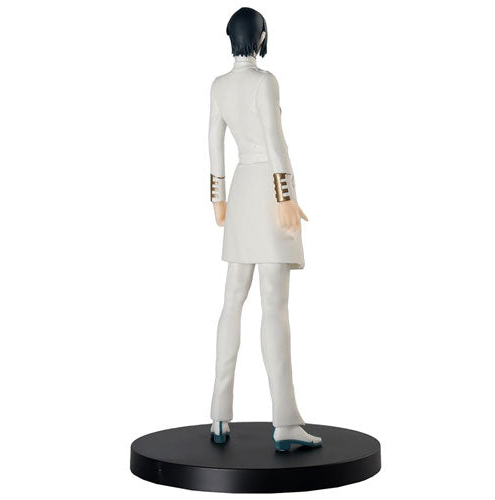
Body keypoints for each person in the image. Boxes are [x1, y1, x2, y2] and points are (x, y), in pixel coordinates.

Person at [209, 7, 322, 452]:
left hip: (240, 193)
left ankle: (219, 415)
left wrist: (218, 198)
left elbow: (214, 145)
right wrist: (286, 196)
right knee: (274, 307)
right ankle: (285, 423)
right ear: (261, 38)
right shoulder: (264, 81)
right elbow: (275, 142)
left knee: (232, 301)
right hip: (268, 193)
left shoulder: (219, 86)